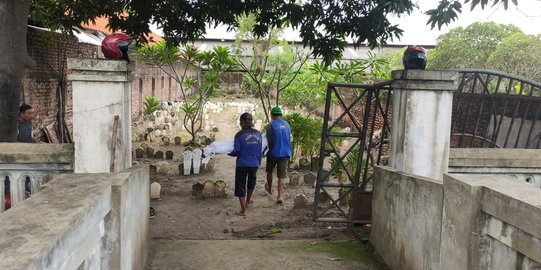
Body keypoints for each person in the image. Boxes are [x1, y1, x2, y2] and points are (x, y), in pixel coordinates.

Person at [229, 113, 263, 216]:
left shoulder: (239, 135)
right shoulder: (258, 134)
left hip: (242, 164)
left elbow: (237, 151)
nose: (240, 124)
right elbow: (260, 150)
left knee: (240, 184)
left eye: (240, 122)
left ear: (243, 122)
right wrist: (258, 162)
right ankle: (248, 201)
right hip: (255, 163)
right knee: (251, 182)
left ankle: (243, 210)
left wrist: (229, 153)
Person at [265, 106, 292, 204]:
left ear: (272, 115)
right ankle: (280, 196)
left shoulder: (270, 125)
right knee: (281, 176)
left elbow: (269, 140)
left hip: (273, 152)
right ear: (281, 115)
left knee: (270, 171)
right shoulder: (287, 125)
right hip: (285, 152)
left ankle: (270, 188)